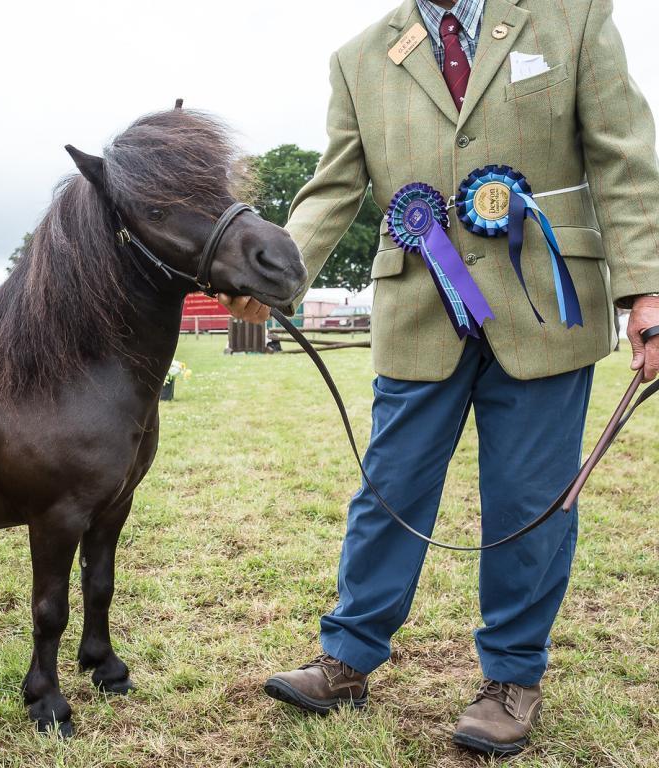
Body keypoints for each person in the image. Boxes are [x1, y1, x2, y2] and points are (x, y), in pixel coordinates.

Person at [219, 0, 659, 756]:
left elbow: (622, 155)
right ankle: (347, 659)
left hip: (546, 308)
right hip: (420, 311)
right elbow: (333, 186)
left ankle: (512, 677)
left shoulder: (573, 18)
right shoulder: (359, 56)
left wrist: (646, 290)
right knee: (388, 491)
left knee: (530, 501)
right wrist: (278, 272)